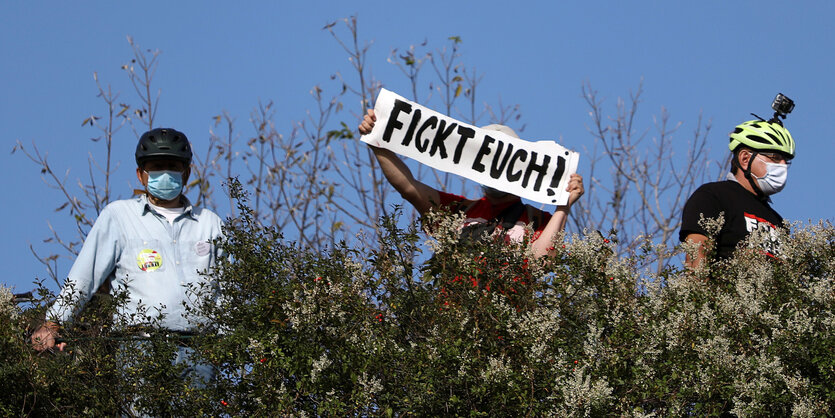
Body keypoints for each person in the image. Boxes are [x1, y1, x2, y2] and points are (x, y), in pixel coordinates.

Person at [31, 128, 224, 363]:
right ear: (140, 174)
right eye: (155, 167)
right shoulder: (120, 216)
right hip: (139, 348)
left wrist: (232, 344)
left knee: (200, 401)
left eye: (172, 166)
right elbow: (84, 276)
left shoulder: (209, 223)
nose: (165, 174)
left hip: (200, 351)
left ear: (186, 173)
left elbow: (227, 291)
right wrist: (54, 323)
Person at [358, 109, 584, 258]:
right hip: (451, 323)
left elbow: (541, 263)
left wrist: (563, 207)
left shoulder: (539, 221)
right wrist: (377, 143)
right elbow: (408, 187)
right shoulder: (458, 210)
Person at [680, 118, 795, 268]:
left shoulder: (778, 221)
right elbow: (697, 255)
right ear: (745, 158)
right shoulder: (712, 196)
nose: (782, 166)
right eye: (775, 157)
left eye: (786, 161)